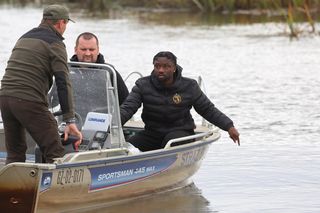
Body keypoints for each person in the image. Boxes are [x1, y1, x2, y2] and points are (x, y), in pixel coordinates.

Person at [0, 4, 82, 164]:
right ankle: (55, 189)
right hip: (29, 100)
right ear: (60, 23)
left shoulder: (24, 37)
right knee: (55, 150)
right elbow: (63, 82)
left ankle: (14, 188)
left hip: (5, 98)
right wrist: (70, 120)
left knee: (15, 153)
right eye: (66, 24)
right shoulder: (55, 43)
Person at [120, 51, 240, 151]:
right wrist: (110, 126)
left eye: (166, 66)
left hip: (181, 133)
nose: (161, 70)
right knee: (127, 148)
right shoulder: (143, 85)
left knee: (171, 143)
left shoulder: (189, 86)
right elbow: (128, 108)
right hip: (152, 133)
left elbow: (207, 109)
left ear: (174, 68)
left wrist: (229, 126)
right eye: (157, 66)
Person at [70, 32, 129, 105]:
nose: (87, 53)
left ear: (98, 50)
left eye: (91, 49)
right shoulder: (66, 71)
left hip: (103, 115)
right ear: (75, 50)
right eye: (83, 49)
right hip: (73, 116)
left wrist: (119, 116)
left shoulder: (109, 71)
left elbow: (126, 102)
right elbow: (53, 100)